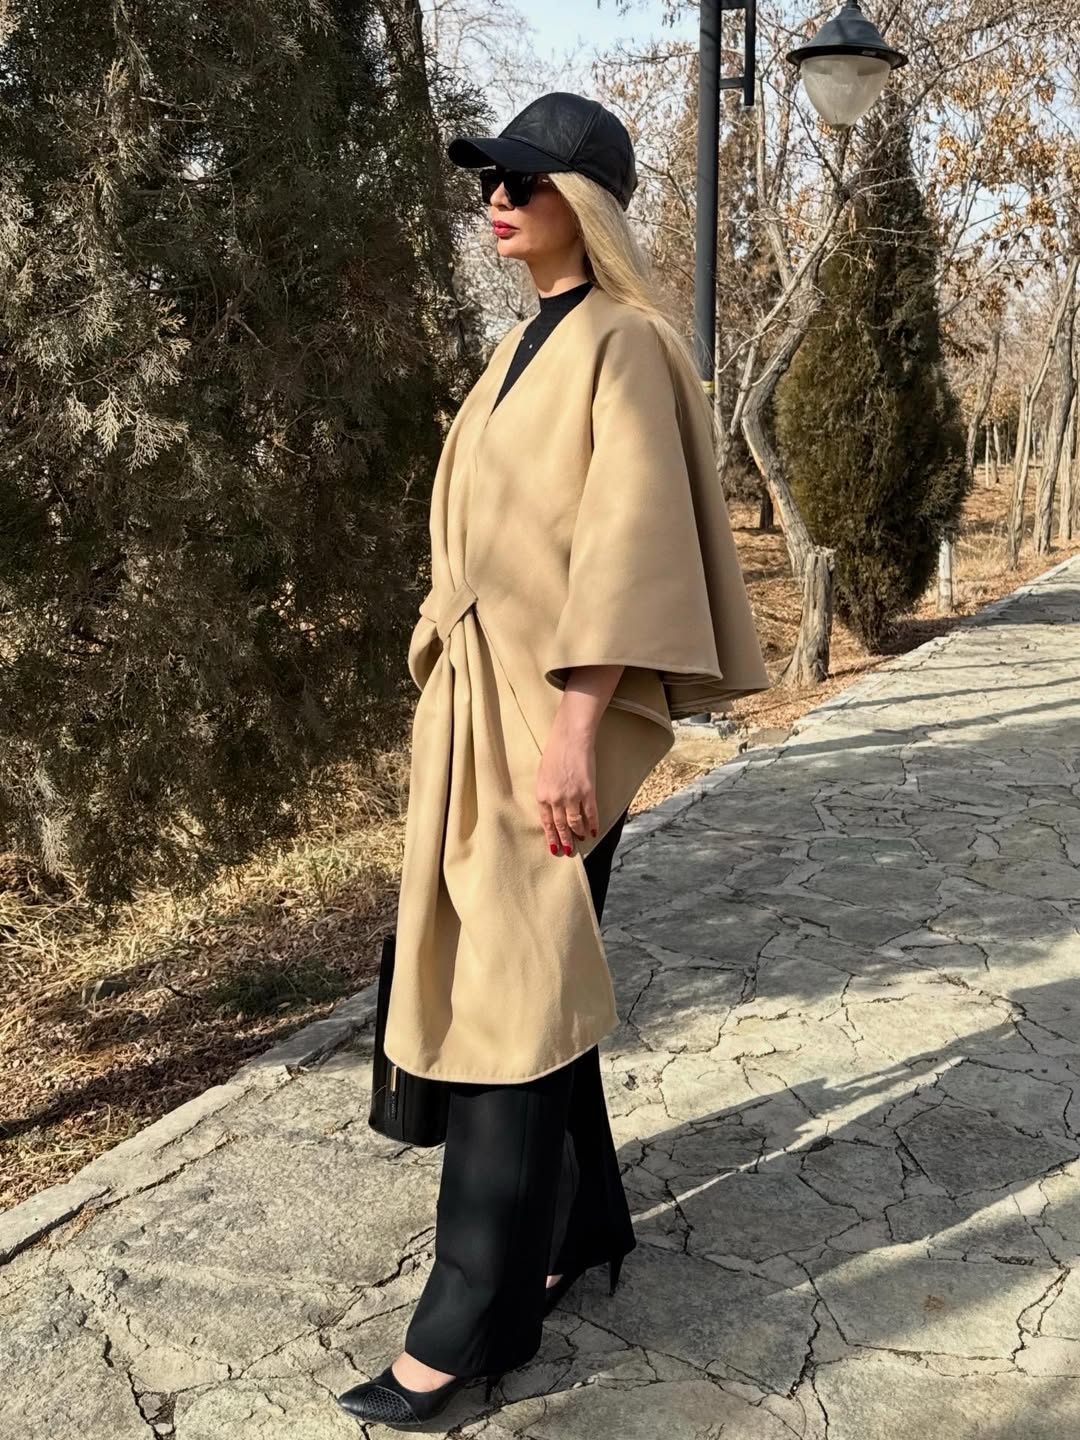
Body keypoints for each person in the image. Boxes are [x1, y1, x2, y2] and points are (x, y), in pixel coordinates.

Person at [337, 91, 769, 1429]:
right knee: (532, 972)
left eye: (524, 180)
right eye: (491, 177)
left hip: (553, 728)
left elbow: (626, 552)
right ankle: (582, 1225)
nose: (498, 198)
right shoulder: (518, 345)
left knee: (510, 998)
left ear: (582, 203)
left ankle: (470, 1321)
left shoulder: (625, 346)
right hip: (480, 710)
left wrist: (577, 734)